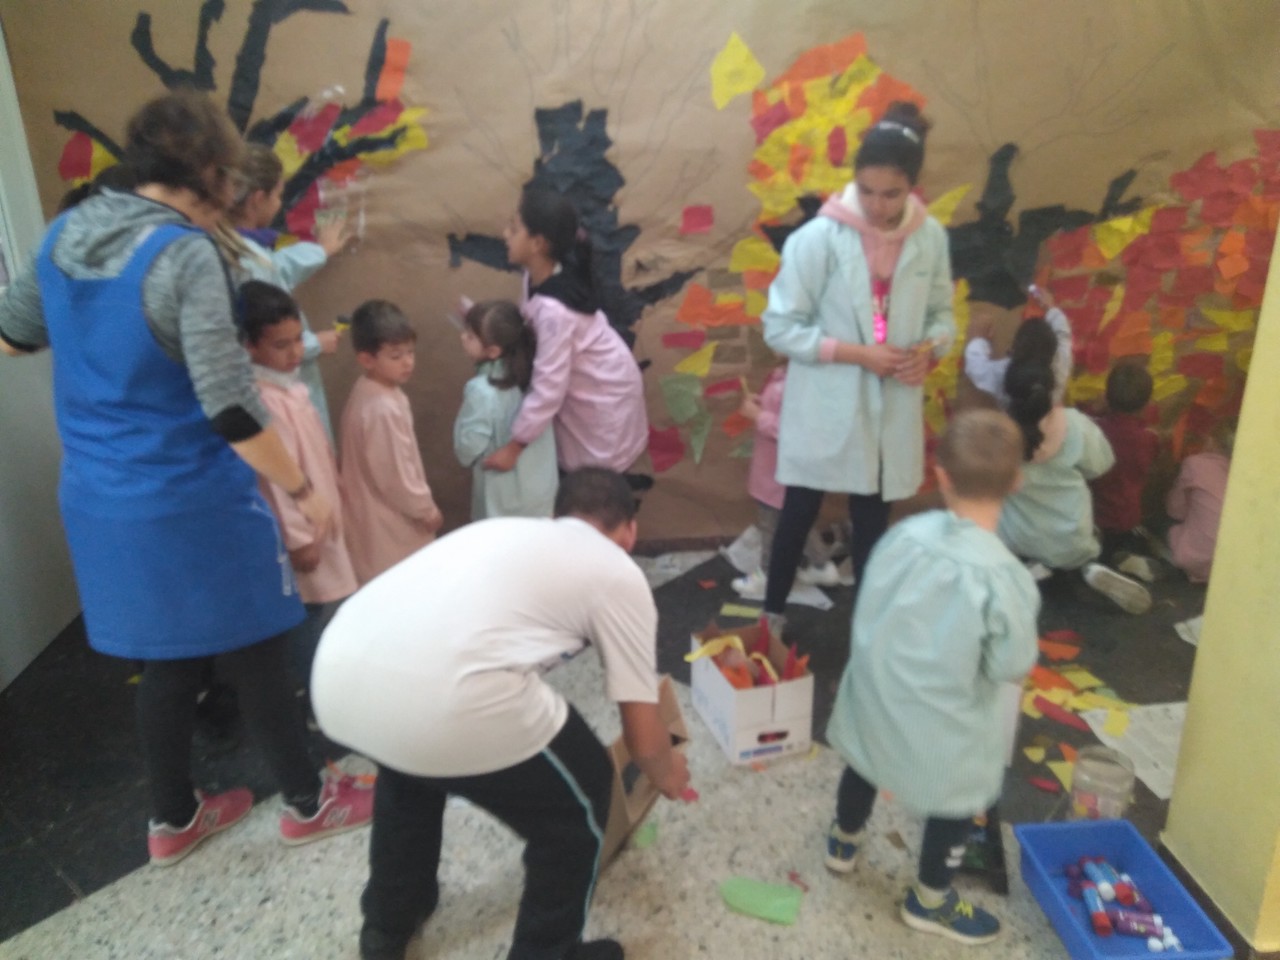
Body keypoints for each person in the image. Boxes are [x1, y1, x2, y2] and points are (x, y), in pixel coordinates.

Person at [0, 90, 372, 865]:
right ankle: (310, 802)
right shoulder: (184, 254)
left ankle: (172, 820)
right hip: (190, 499)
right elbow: (230, 406)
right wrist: (304, 490)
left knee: (166, 657)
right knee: (259, 647)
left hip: (99, 498)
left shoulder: (66, 230)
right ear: (209, 172)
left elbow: (13, 336)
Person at [311, 468, 691, 960]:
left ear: (557, 515)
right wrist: (667, 772)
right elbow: (642, 736)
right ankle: (547, 953)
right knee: (584, 795)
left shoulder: (504, 531)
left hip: (338, 671)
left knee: (410, 768)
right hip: (443, 697)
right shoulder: (618, 570)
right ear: (630, 530)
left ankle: (387, 925)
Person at [824, 410, 1038, 945]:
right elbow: (1010, 665)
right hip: (942, 727)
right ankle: (930, 899)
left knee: (864, 762)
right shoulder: (1006, 579)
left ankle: (844, 840)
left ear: (939, 475)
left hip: (874, 698)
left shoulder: (902, 536)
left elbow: (869, 607)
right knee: (961, 796)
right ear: (1017, 481)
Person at [760, 101, 955, 637]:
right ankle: (771, 615)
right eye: (866, 190)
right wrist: (857, 354)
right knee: (799, 508)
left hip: (890, 403)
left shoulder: (930, 239)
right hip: (828, 402)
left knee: (873, 517)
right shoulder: (818, 239)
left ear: (912, 187)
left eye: (892, 194)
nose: (877, 205)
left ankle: (869, 631)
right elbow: (780, 328)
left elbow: (943, 315)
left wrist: (929, 349)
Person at [482, 187, 648, 476]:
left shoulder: (554, 312)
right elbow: (528, 324)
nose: (506, 234)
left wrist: (515, 446)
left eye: (514, 229)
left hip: (604, 399)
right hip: (595, 387)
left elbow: (549, 388)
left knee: (594, 483)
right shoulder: (539, 277)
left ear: (537, 244)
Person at [240, 280, 357, 687]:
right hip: (303, 533)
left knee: (319, 607)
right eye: (281, 345)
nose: (294, 353)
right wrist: (299, 539)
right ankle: (308, 692)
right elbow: (277, 477)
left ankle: (317, 686)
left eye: (297, 340)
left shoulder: (286, 387)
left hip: (318, 519)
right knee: (304, 613)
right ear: (249, 346)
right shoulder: (264, 400)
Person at [997, 361, 1152, 613]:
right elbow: (1102, 465)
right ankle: (1087, 568)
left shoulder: (994, 431)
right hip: (1071, 539)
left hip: (1016, 538)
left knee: (1010, 527)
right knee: (1083, 541)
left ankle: (1034, 568)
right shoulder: (1075, 424)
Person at [228, 143, 350, 439]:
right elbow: (265, 335)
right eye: (278, 195)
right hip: (274, 392)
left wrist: (319, 251)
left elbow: (277, 267)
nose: (280, 204)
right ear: (258, 199)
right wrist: (314, 344)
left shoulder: (239, 247)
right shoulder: (247, 262)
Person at [339, 299, 442, 583]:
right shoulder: (382, 408)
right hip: (389, 521)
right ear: (366, 359)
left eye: (410, 352)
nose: (408, 362)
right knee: (405, 585)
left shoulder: (370, 389)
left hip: (375, 515)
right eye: (396, 356)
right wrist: (425, 509)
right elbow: (394, 474)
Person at [732, 362, 844, 598]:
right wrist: (763, 405)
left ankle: (767, 576)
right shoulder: (786, 375)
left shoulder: (800, 381)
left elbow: (795, 432)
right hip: (776, 471)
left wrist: (759, 416)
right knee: (796, 522)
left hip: (779, 475)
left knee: (771, 528)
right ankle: (821, 566)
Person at [454, 299, 557, 519]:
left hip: (502, 503)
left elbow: (468, 449)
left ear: (493, 351)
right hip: (541, 494)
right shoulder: (536, 376)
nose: (462, 337)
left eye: (470, 335)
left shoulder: (480, 391)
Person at [1090, 363, 1160, 581]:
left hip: (1092, 515)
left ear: (1106, 396)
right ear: (1146, 404)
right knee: (1120, 540)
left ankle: (1098, 562)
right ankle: (1120, 559)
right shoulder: (1149, 438)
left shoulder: (1094, 429)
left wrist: (1094, 409)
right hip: (1127, 518)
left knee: (1093, 546)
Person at [964, 285, 1073, 409]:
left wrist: (979, 339)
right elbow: (1063, 334)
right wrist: (1051, 308)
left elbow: (975, 367)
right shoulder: (1060, 366)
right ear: (1053, 350)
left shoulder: (1001, 373)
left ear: (1014, 349)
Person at [1166, 420, 1234, 583]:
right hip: (1234, 563)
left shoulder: (1196, 464)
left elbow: (1175, 511)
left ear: (1211, 441)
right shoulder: (1253, 473)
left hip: (1199, 558)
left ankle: (1165, 563)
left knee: (1161, 522)